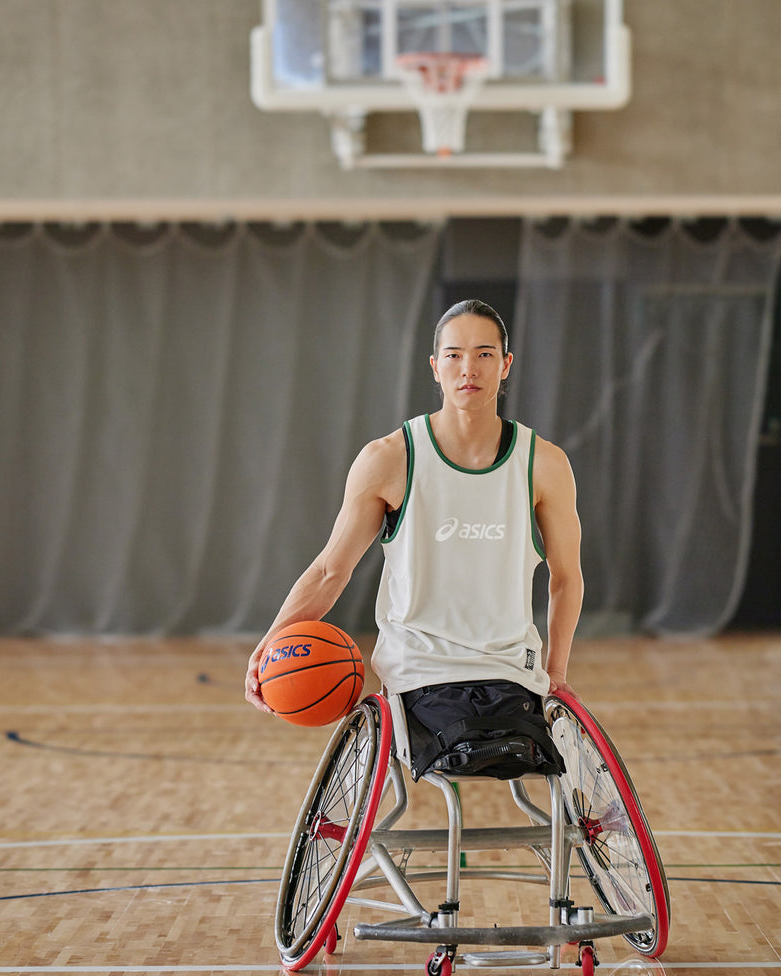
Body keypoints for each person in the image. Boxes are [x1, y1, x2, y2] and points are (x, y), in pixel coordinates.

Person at [245, 300, 584, 762]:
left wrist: (556, 671)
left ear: (506, 365)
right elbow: (331, 569)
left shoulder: (544, 463)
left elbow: (566, 576)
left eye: (485, 354)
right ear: (435, 366)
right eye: (454, 355)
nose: (469, 368)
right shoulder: (390, 458)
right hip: (419, 674)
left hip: (512, 674)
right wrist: (269, 644)